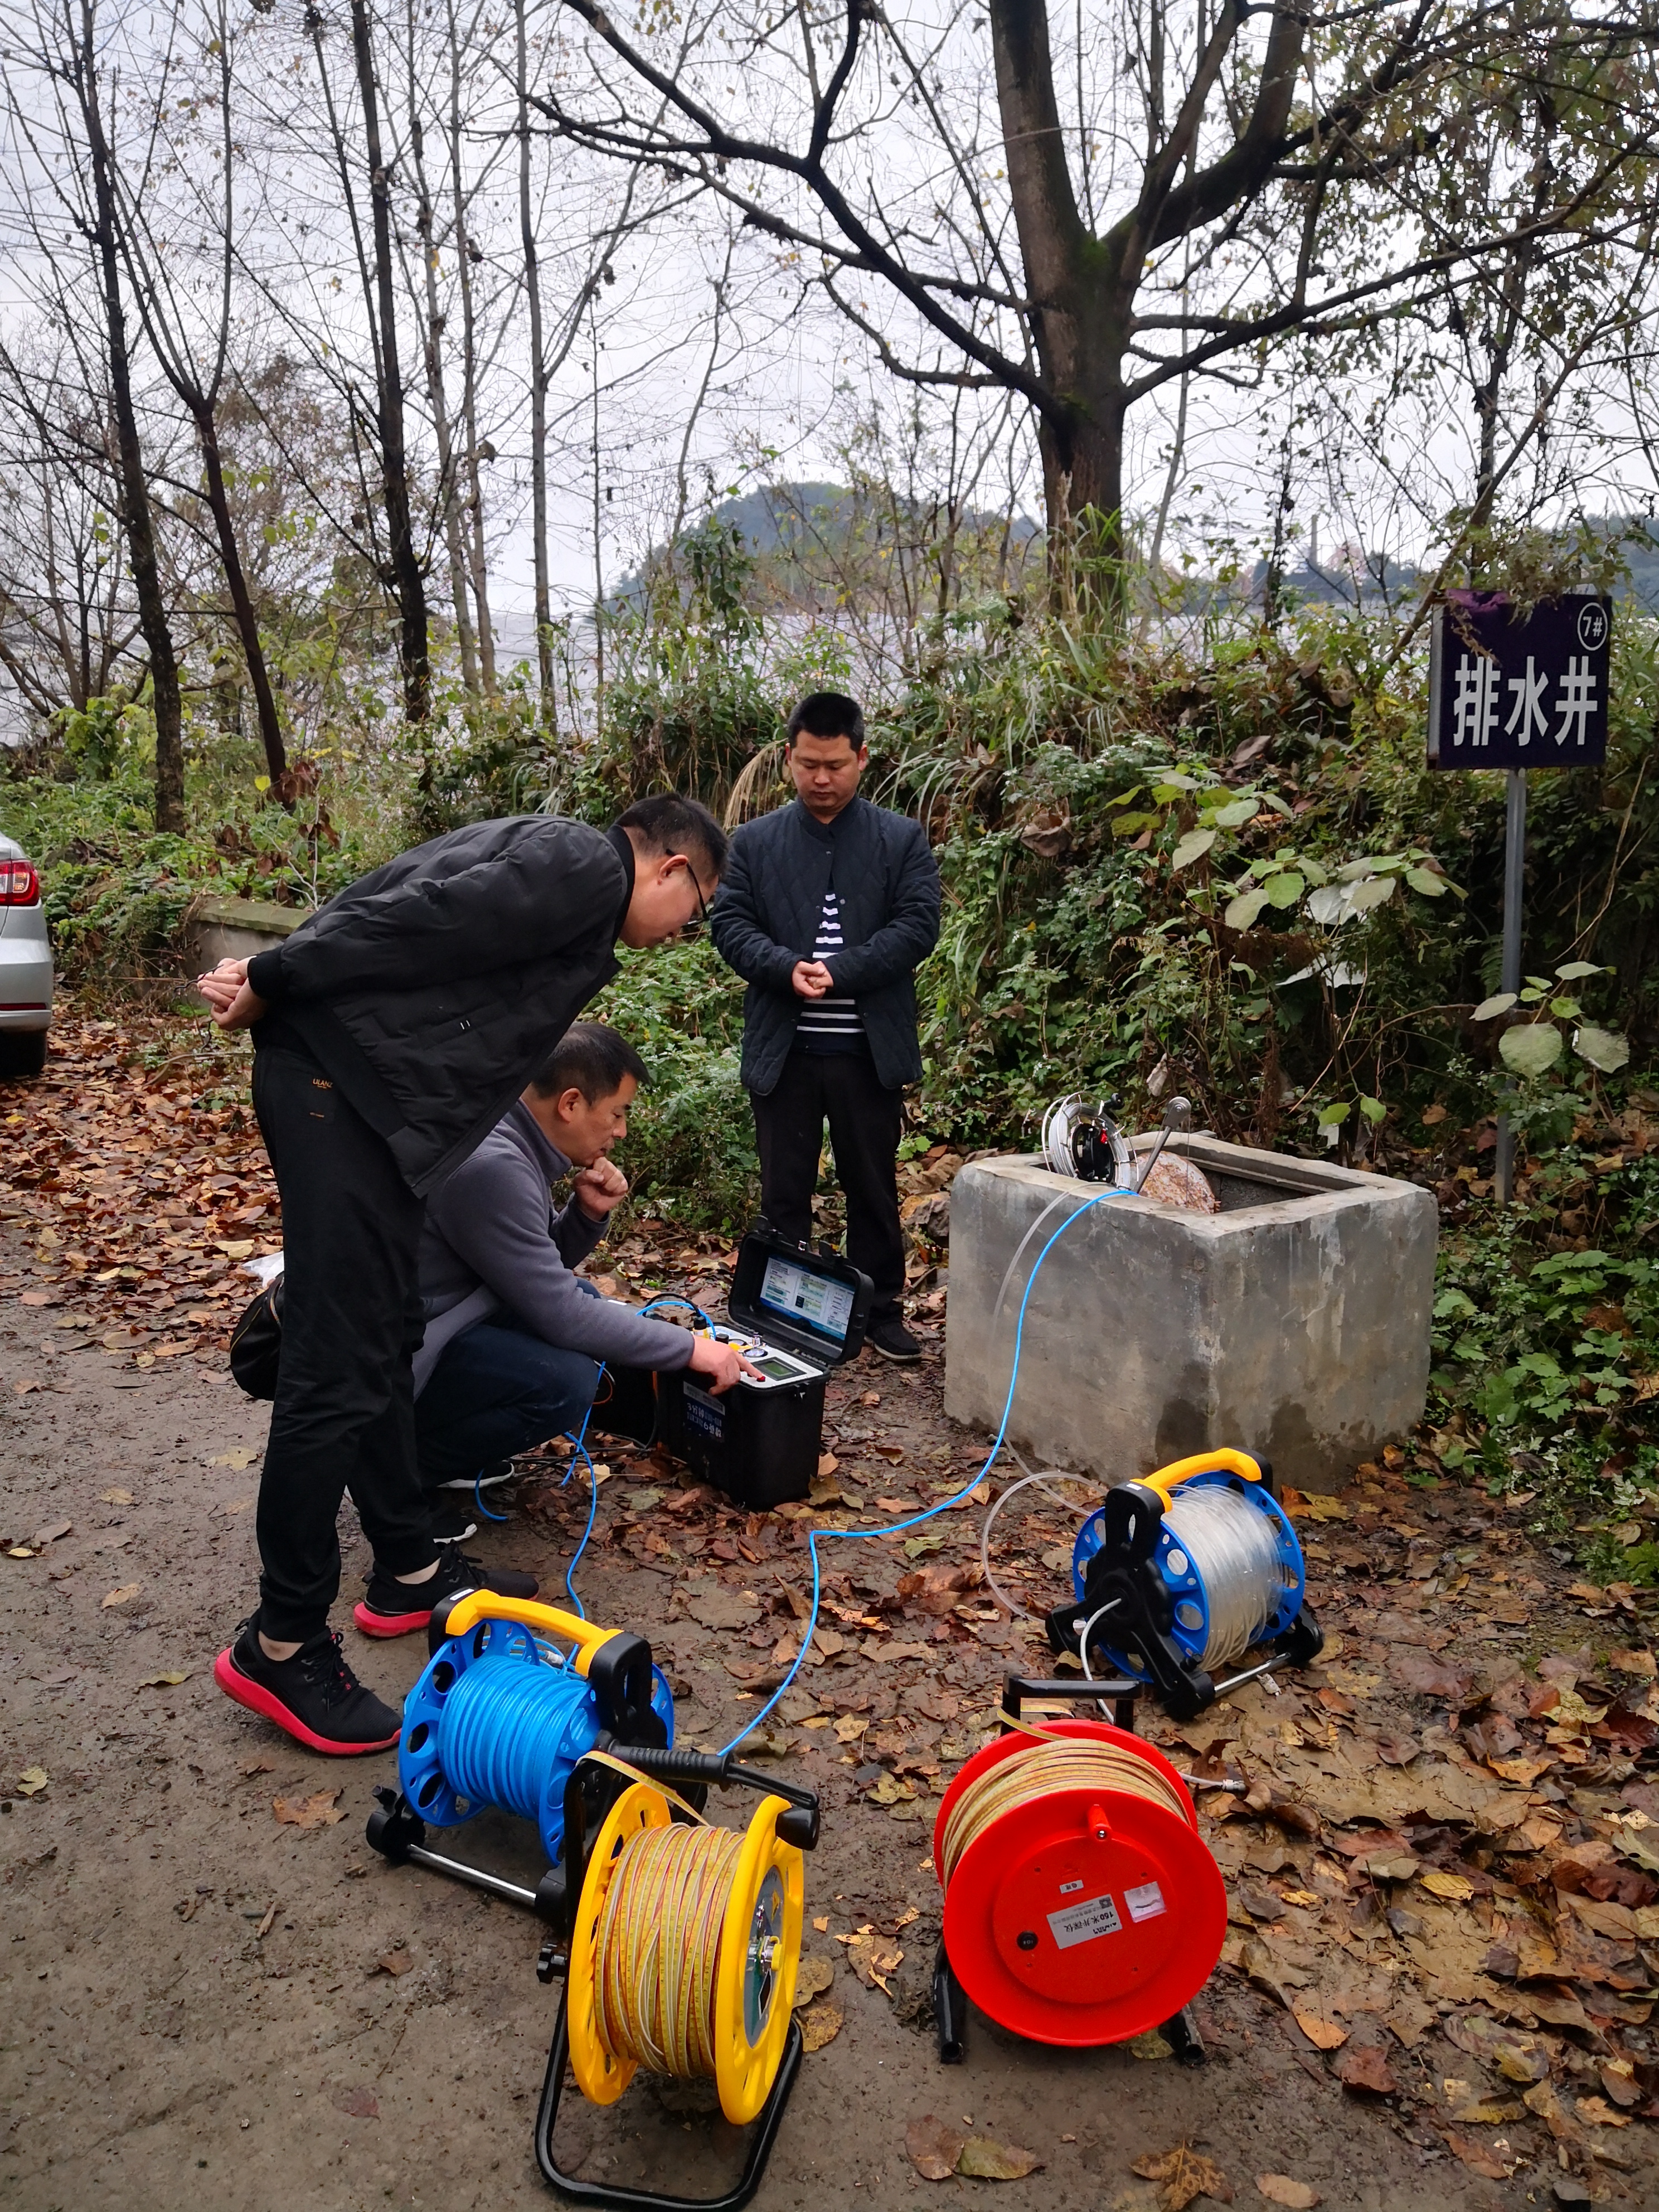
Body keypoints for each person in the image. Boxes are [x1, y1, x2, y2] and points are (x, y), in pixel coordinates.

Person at [197, 795, 727, 1756]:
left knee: (386, 1338)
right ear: (673, 869)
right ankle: (281, 1642)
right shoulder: (586, 868)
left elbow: (399, 888)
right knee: (335, 1370)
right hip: (341, 1092)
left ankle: (407, 1568)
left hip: (380, 1112)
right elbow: (419, 915)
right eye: (692, 913)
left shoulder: (564, 870)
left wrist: (285, 968)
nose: (680, 933)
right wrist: (274, 975)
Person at [414, 1020, 759, 1529]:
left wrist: (586, 1214)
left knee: (581, 1299)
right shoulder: (492, 1165)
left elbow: (531, 1271)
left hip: (446, 1315)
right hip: (406, 1352)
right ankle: (403, 1472)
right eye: (617, 1113)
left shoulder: (504, 1131)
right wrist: (690, 1348)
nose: (621, 1131)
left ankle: (439, 1450)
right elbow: (562, 1316)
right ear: (571, 1103)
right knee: (565, 1382)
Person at [710, 691, 940, 1362]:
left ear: (861, 758)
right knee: (785, 1189)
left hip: (868, 1051)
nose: (820, 778)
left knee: (872, 1184)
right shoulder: (754, 843)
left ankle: (880, 1311)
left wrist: (840, 971)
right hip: (786, 1051)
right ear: (788, 757)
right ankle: (786, 1315)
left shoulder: (899, 838)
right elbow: (730, 925)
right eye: (808, 763)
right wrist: (785, 968)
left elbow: (918, 925)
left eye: (835, 765)